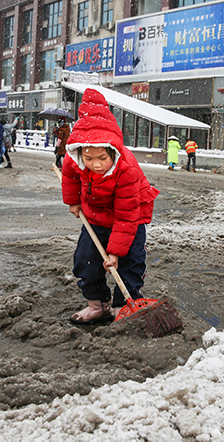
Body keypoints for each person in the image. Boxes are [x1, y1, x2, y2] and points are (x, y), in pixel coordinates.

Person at [61, 88, 160, 324]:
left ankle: (123, 305)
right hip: (95, 216)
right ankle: (97, 304)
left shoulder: (127, 169)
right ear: (80, 152)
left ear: (113, 151)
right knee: (85, 259)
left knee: (130, 262)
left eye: (102, 159)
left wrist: (115, 251)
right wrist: (73, 201)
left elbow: (127, 215)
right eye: (89, 158)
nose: (95, 165)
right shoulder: (74, 158)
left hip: (129, 217)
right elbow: (69, 175)